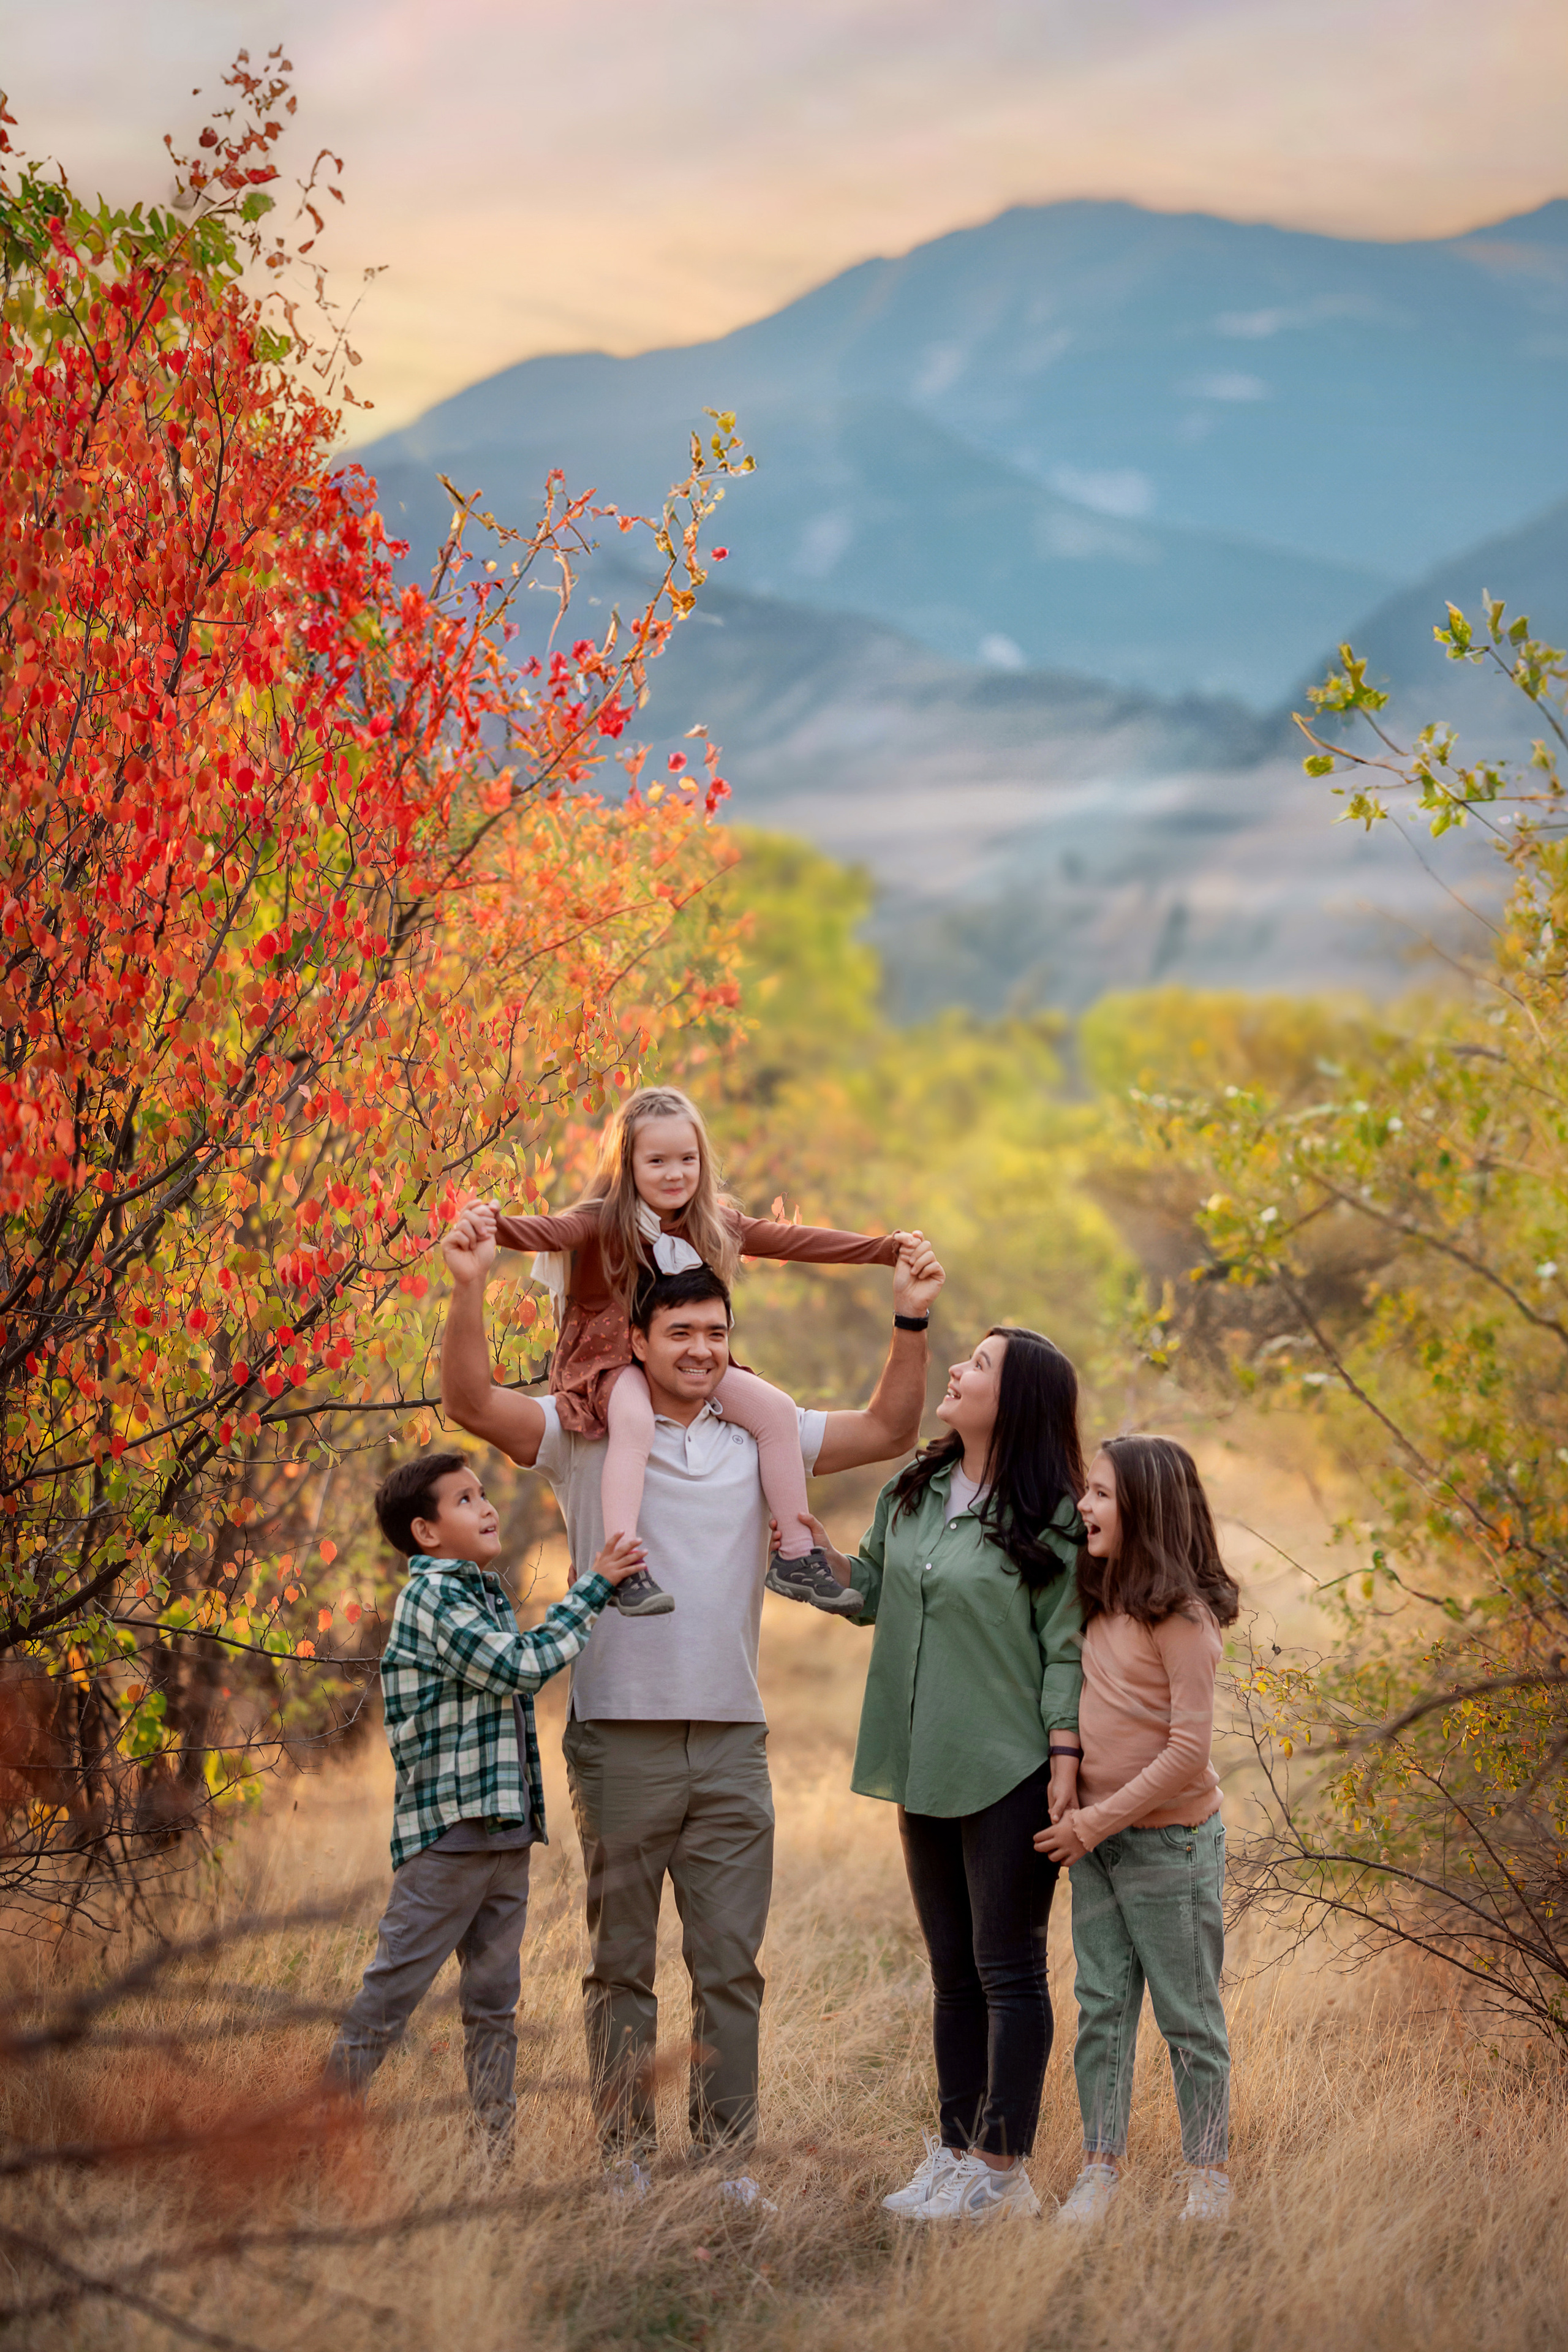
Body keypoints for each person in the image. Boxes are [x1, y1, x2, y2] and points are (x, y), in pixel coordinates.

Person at [439, 1198, 944, 2201]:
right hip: (617, 1737)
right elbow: (470, 1403)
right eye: (682, 1334)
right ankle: (625, 2161)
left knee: (730, 1968)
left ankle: (725, 2169)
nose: (703, 1350)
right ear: (637, 1339)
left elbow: (890, 1428)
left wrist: (912, 1319)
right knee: (620, 1963)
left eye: (717, 1334)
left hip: (732, 1740)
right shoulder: (588, 1433)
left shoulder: (764, 1439)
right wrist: (466, 1287)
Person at [797, 1325, 1087, 2227]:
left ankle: (1003, 2171)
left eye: (980, 1366)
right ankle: (956, 2150)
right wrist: (805, 1559)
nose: (957, 1371)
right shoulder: (911, 1488)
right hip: (920, 1757)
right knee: (952, 1975)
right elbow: (871, 1592)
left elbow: (1067, 1649)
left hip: (1009, 1765)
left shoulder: (1054, 1512)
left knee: (1009, 1970)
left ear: (1021, 1400)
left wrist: (1067, 1763)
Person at [490, 1084, 918, 1616]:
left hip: (681, 1356)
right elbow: (550, 1230)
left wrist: (882, 1250)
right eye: (658, 1161)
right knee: (634, 1420)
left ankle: (795, 1555)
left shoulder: (710, 1221)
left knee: (776, 1411)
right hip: (609, 1358)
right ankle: (624, 1568)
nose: (675, 1173)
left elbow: (791, 1240)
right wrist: (495, 1226)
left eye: (687, 1159)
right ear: (628, 1165)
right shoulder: (604, 1218)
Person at [323, 1450, 644, 2153]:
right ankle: (302, 2140)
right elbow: (519, 1667)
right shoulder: (432, 1598)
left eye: (483, 1493)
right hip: (449, 1838)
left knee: (494, 2007)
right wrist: (593, 1591)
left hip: (500, 1835)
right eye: (464, 1499)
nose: (487, 1505)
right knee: (387, 2003)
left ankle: (493, 2152)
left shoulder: (479, 1592)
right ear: (427, 1532)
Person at [1034, 1434, 1240, 2227]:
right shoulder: (1101, 1599)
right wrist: (1073, 1789)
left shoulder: (1181, 1618)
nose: (1083, 1506)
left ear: (1146, 1510)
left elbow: (1189, 1753)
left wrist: (1093, 1821)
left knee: (1188, 2016)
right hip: (1099, 1847)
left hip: (1170, 1847)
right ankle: (1100, 2166)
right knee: (1103, 2007)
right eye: (1086, 1491)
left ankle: (1209, 2173)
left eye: (1101, 1495)